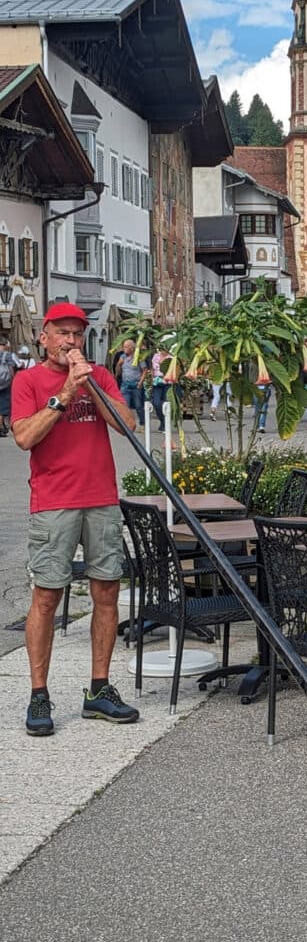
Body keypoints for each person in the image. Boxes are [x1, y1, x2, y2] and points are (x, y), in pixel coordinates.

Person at [11, 302, 139, 737]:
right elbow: (25, 437)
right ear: (43, 337)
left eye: (77, 334)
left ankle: (99, 689)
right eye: (62, 333)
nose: (71, 341)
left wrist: (90, 389)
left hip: (101, 498)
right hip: (53, 502)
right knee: (47, 597)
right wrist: (64, 394)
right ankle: (39, 693)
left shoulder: (99, 378)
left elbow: (128, 425)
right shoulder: (28, 381)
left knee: (106, 591)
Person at [116, 339, 147, 430]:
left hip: (136, 384)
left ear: (132, 348)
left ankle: (142, 424)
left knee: (138, 406)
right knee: (125, 405)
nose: (123, 348)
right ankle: (128, 424)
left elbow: (145, 370)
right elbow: (117, 372)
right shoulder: (122, 357)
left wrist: (140, 382)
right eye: (123, 346)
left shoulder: (138, 357)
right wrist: (119, 364)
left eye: (126, 347)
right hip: (125, 384)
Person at [0, 338, 18, 436]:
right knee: (2, 406)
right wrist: (13, 379)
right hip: (5, 383)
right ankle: (1, 427)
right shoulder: (8, 355)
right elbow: (12, 367)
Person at [151, 347, 171, 431]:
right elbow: (152, 369)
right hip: (157, 382)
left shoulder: (171, 358)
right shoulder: (156, 356)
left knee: (166, 404)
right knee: (156, 402)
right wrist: (151, 379)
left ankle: (166, 424)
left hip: (168, 382)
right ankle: (162, 420)